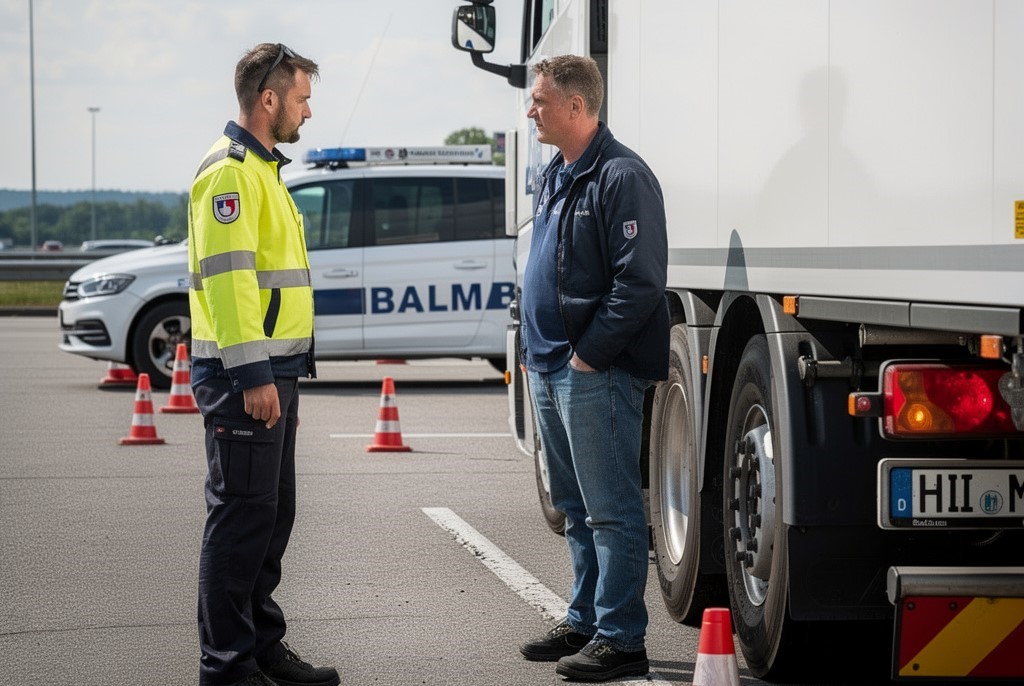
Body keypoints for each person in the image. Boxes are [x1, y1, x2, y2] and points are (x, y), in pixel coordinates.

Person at [188, 43, 339, 686]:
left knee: (270, 516)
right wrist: (252, 376)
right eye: (302, 98)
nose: (308, 110)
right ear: (269, 99)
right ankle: (227, 666)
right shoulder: (231, 174)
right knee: (241, 518)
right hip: (244, 375)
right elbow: (229, 284)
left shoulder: (264, 172)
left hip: (276, 370)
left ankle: (261, 646)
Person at [516, 55, 669, 682]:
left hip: (593, 371)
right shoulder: (559, 171)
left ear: (576, 107)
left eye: (540, 100)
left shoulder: (622, 176)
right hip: (548, 366)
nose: (531, 109)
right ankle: (584, 619)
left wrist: (588, 352)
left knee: (611, 509)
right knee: (575, 509)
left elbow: (640, 283)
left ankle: (621, 637)